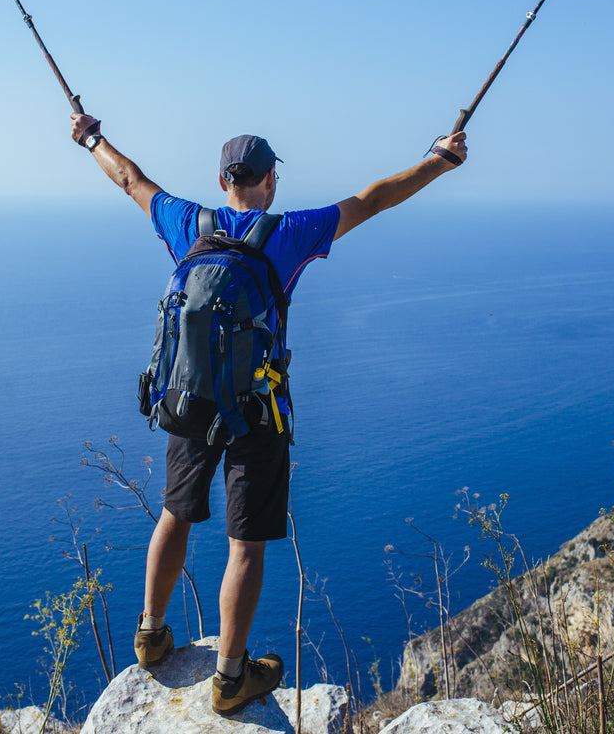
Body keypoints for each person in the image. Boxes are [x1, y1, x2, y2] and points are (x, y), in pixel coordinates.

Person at [70, 111, 467, 716]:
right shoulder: (288, 233)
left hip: (189, 398)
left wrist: (90, 137)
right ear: (270, 180)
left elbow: (128, 177)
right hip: (256, 411)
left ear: (223, 178)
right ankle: (231, 677)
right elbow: (373, 199)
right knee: (245, 544)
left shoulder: (187, 223)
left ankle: (150, 636)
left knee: (175, 515)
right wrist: (439, 159)